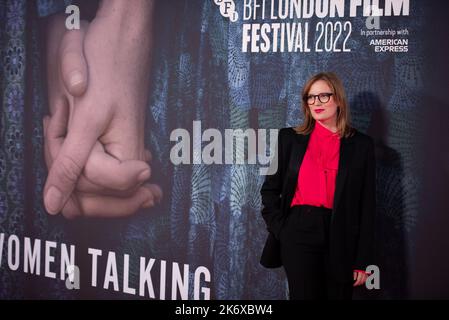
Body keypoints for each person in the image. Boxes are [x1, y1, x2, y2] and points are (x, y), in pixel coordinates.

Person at [260, 72, 376, 300]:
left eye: (323, 96)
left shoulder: (361, 145)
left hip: (341, 234)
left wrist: (362, 261)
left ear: (338, 99)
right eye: (310, 98)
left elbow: (367, 206)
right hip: (298, 231)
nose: (316, 103)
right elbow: (270, 189)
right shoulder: (289, 139)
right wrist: (283, 229)